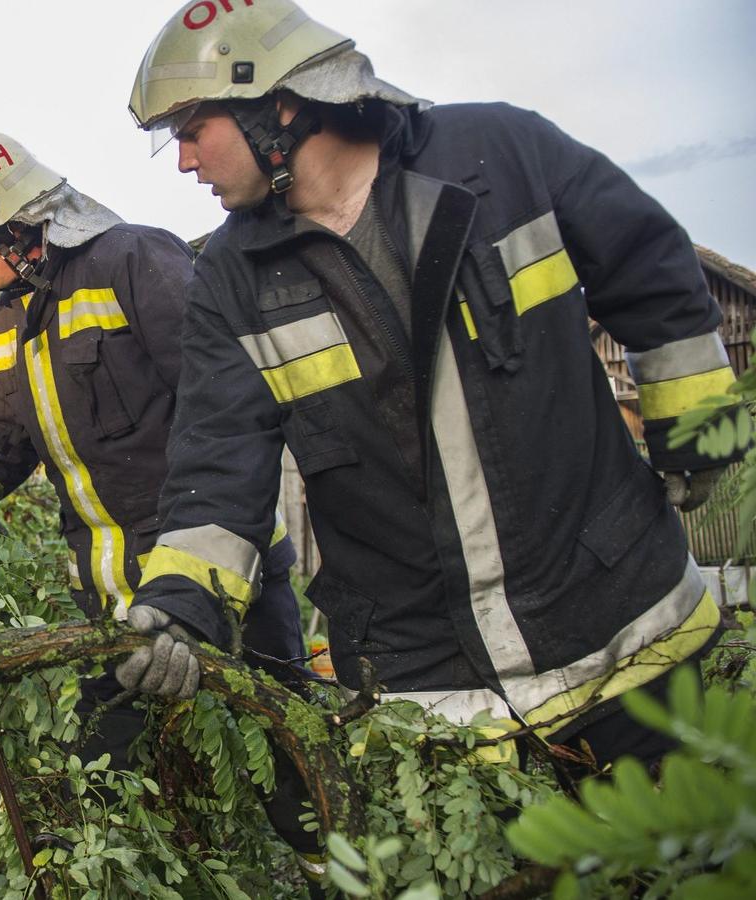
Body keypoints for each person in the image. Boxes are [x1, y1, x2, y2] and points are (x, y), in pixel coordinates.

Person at [121, 0, 729, 774]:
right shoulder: (229, 284)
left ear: (272, 103)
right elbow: (215, 464)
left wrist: (698, 431)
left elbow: (652, 268)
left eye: (190, 131)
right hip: (436, 702)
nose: (184, 162)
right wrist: (178, 612)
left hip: (625, 636)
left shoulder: (503, 157)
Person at [0, 131, 307, 766]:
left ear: (7, 219)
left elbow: (227, 409)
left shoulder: (133, 261)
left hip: (219, 579)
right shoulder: (3, 320)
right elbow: (1, 447)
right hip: (113, 604)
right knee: (103, 785)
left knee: (284, 762)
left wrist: (201, 590)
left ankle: (317, 866)